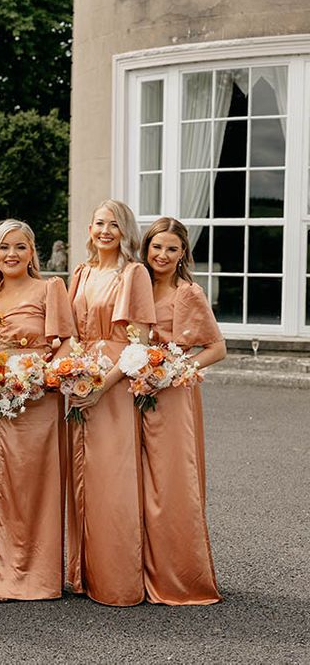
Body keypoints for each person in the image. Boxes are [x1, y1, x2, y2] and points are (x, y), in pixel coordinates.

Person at [0, 219, 74, 602]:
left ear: (32, 252)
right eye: (4, 247)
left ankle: (38, 577)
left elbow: (66, 343)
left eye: (20, 247)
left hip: (37, 402)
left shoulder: (50, 288)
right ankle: (0, 574)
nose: (11, 254)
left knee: (35, 488)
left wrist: (39, 377)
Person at [66, 199, 156, 606]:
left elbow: (140, 342)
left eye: (114, 225)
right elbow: (67, 329)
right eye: (99, 223)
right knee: (79, 475)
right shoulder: (81, 272)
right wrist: (73, 373)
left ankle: (116, 580)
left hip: (114, 388)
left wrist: (104, 385)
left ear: (125, 231)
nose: (105, 231)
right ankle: (83, 575)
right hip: (80, 383)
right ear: (89, 228)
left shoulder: (134, 273)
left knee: (112, 481)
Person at [140, 217, 224, 604]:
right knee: (136, 482)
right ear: (146, 248)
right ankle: (137, 568)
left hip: (172, 397)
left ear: (183, 254)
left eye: (172, 249)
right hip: (134, 392)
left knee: (171, 481)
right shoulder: (135, 286)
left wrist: (175, 371)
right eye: (157, 247)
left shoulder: (189, 293)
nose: (163, 255)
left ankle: (178, 574)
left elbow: (216, 348)